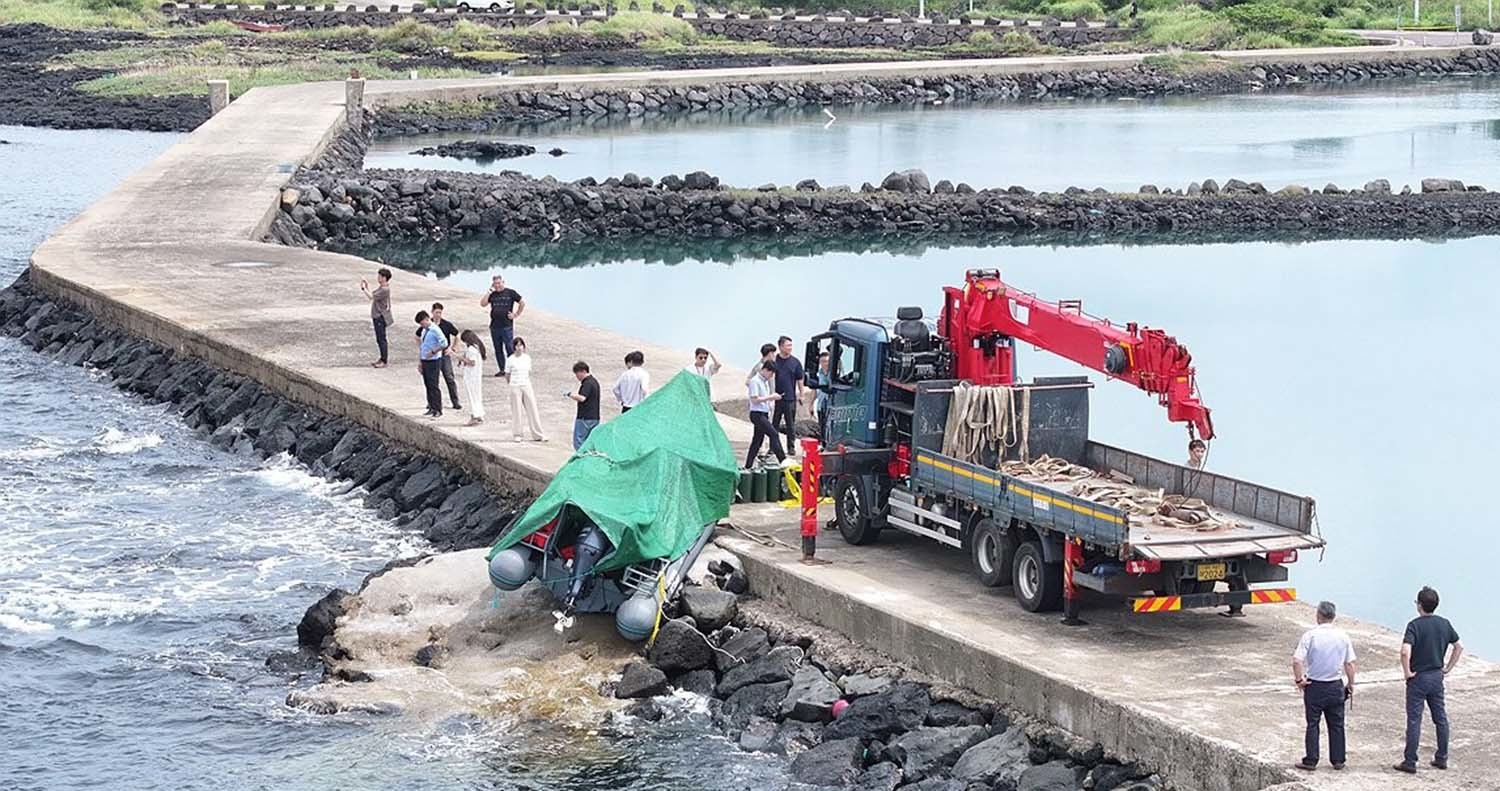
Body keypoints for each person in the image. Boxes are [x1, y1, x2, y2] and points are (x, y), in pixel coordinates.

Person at [1395, 586, 1464, 774]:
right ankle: (1442, 757)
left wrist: (1407, 672)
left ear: (1419, 605)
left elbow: (1405, 651)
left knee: (1414, 720)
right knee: (1440, 718)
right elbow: (1459, 647)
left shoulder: (1414, 625)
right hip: (1436, 676)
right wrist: (1448, 668)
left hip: (1418, 678)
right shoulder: (1444, 624)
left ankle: (1410, 761)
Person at [1292, 601, 1357, 772]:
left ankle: (1311, 760)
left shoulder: (1310, 636)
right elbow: (1349, 663)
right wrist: (1351, 683)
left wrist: (1299, 680)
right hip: (1335, 685)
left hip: (1315, 685)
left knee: (1313, 724)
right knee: (1337, 724)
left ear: (1318, 616)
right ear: (1334, 616)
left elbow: (1297, 660)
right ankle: (1338, 760)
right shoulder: (1343, 636)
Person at [414, 302, 461, 411]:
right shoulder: (426, 327)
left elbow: (456, 335)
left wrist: (453, 348)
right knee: (431, 381)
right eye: (436, 312)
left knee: (449, 377)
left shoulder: (444, 325)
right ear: (432, 312)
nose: (438, 315)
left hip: (443, 354)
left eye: (440, 312)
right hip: (430, 356)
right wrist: (423, 349)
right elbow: (417, 336)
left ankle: (455, 401)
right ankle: (432, 404)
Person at [480, 274, 524, 378]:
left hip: (506, 326)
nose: (497, 285)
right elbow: (483, 303)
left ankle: (512, 369)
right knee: (498, 349)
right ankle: (502, 370)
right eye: (495, 283)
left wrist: (516, 314)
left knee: (509, 348)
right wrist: (489, 291)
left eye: (499, 283)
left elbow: (522, 302)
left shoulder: (510, 293)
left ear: (503, 282)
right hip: (494, 326)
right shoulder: (492, 294)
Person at [746, 361, 787, 468]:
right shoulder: (755, 381)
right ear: (765, 370)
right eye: (771, 373)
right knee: (773, 434)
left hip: (764, 413)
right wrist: (771, 397)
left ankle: (748, 465)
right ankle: (783, 460)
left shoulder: (764, 382)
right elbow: (754, 399)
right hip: (757, 413)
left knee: (757, 441)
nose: (771, 376)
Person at [506, 337, 546, 442]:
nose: (519, 348)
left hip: (526, 384)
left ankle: (538, 434)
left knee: (532, 409)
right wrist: (512, 384)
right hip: (515, 385)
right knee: (517, 411)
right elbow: (507, 374)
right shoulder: (510, 359)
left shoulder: (527, 358)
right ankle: (517, 434)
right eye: (517, 345)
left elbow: (528, 371)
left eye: (521, 345)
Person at [772, 335, 804, 455]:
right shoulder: (774, 360)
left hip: (790, 398)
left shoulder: (795, 362)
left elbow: (800, 379)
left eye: (791, 345)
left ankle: (791, 447)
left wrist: (801, 394)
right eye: (787, 345)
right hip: (776, 397)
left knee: (790, 424)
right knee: (774, 424)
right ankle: (773, 447)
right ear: (780, 347)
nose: (790, 348)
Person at [414, 310, 447, 418]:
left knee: (433, 385)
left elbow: (444, 343)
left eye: (422, 323)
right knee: (427, 384)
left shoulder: (435, 330)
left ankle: (438, 408)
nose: (422, 325)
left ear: (427, 319)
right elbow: (422, 346)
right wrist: (420, 361)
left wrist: (433, 351)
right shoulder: (425, 330)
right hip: (425, 360)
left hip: (433, 360)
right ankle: (431, 407)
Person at [360, 268, 393, 368]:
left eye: (379, 276)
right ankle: (382, 358)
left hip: (380, 316)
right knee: (380, 339)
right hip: (378, 315)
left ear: (384, 278)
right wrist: (367, 287)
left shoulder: (384, 289)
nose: (378, 278)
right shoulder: (382, 287)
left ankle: (384, 360)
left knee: (381, 339)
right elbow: (373, 295)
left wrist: (363, 288)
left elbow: (371, 297)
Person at [566, 361, 601, 450]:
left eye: (577, 374)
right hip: (595, 417)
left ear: (583, 371)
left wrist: (570, 394)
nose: (577, 377)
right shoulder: (594, 382)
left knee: (579, 442)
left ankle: (581, 457)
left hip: (584, 417)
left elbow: (582, 398)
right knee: (590, 442)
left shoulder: (587, 383)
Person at [458, 330, 487, 426]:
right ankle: (479, 414)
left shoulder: (471, 349)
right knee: (477, 396)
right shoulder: (477, 347)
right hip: (476, 376)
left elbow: (472, 362)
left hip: (471, 376)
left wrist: (458, 357)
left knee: (472, 396)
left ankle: (475, 416)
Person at [805, 350, 830, 438]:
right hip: (821, 404)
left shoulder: (834, 374)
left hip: (831, 404)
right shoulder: (818, 375)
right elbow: (814, 391)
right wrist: (811, 404)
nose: (825, 364)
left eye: (827, 361)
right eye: (823, 361)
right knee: (822, 427)